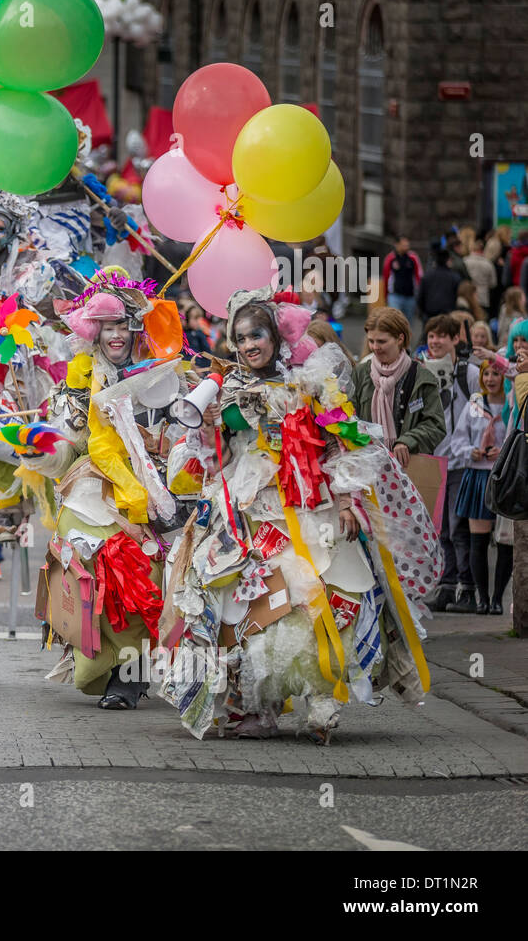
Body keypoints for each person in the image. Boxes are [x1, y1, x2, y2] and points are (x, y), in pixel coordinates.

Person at [172, 289, 435, 744]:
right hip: (251, 509)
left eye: (257, 334)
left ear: (275, 335)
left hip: (312, 505)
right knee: (253, 603)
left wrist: (350, 500)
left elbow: (341, 441)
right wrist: (212, 425)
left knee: (323, 594)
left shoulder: (312, 384)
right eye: (241, 338)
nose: (250, 344)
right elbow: (214, 462)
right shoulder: (228, 388)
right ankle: (259, 704)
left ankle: (321, 696)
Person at [31, 278, 189, 710]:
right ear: (92, 331)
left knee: (143, 578)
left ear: (137, 328)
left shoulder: (166, 375)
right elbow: (62, 449)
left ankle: (127, 676)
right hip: (92, 492)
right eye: (105, 326)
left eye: (122, 324)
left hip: (155, 494)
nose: (115, 334)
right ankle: (99, 664)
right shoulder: (77, 384)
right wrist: (35, 448)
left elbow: (188, 438)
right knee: (90, 575)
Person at [421, 314, 481, 611]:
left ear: (455, 339)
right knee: (441, 530)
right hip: (434, 460)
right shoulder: (422, 370)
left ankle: (468, 590)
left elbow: (480, 409)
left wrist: (475, 446)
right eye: (431, 336)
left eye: (441, 336)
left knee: (460, 529)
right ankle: (446, 586)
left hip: (460, 461)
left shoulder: (468, 373)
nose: (435, 341)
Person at [348, 307, 444, 465]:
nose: (374, 347)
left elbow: (436, 425)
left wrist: (407, 441)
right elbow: (348, 415)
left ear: (400, 339)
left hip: (410, 469)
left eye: (381, 341)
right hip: (367, 468)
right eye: (371, 341)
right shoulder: (360, 373)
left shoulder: (422, 378)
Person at [451, 361, 510, 613]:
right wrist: (470, 452)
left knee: (505, 540)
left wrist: (503, 452)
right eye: (486, 373)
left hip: (503, 476)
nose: (490, 379)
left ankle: (498, 599)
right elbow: (458, 438)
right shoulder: (475, 403)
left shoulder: (512, 405)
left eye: (496, 373)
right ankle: (482, 599)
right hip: (477, 476)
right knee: (478, 541)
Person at [382, 236, 423, 321]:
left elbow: (419, 276)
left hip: (410, 296)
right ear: (396, 245)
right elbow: (386, 277)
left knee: (407, 323)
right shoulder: (390, 258)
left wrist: (419, 294)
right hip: (394, 295)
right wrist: (385, 295)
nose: (406, 246)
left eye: (407, 244)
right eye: (403, 244)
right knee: (394, 321)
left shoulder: (413, 258)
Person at [416, 249, 462, 324]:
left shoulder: (427, 276)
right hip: (448, 315)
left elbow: (420, 297)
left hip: (430, 315)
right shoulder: (455, 277)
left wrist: (423, 312)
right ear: (447, 260)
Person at [464, 240, 498, 315]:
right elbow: (493, 283)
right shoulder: (488, 263)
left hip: (468, 297)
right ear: (482, 250)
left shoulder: (465, 261)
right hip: (483, 297)